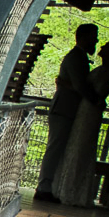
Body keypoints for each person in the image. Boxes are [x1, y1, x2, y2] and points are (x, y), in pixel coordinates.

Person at [53, 39, 109, 207]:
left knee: (80, 148)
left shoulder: (106, 71)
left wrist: (66, 84)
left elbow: (91, 92)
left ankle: (71, 192)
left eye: (106, 47)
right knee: (78, 147)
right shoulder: (105, 70)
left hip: (88, 112)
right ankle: (70, 190)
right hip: (87, 111)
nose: (101, 47)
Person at [35, 23, 99, 203]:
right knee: (55, 148)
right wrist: (95, 101)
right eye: (94, 36)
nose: (96, 40)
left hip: (67, 109)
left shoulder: (80, 57)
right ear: (84, 37)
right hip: (63, 109)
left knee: (58, 148)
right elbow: (80, 86)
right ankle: (44, 187)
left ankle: (50, 186)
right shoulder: (76, 57)